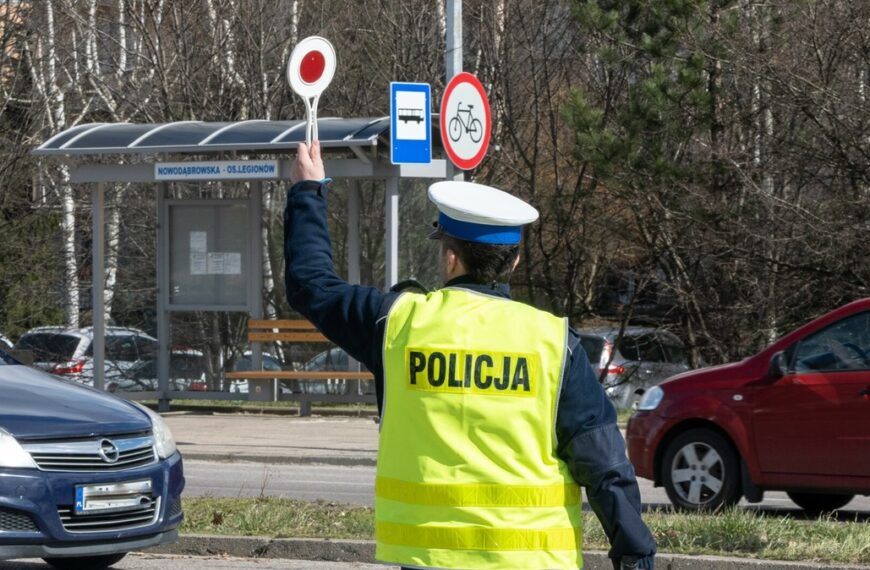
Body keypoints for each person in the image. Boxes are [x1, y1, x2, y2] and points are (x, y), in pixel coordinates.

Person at [285, 141, 656, 570]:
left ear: (449, 256)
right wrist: (635, 555)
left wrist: (308, 191)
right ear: (514, 262)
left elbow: (311, 284)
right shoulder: (554, 343)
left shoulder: (397, 324)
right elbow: (605, 465)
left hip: (428, 560)